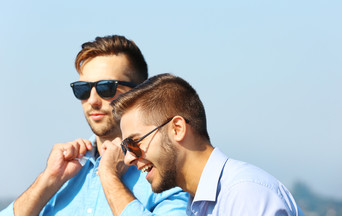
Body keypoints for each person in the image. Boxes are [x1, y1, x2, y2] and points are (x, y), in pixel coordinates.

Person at [0, 36, 188, 215]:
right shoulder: (63, 175)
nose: (92, 100)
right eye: (82, 89)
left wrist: (109, 178)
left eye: (106, 88)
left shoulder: (168, 175)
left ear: (141, 92)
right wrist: (48, 180)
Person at [110, 73, 305, 216]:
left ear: (177, 128)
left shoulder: (244, 195)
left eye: (134, 143)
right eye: (126, 148)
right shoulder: (197, 205)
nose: (128, 158)